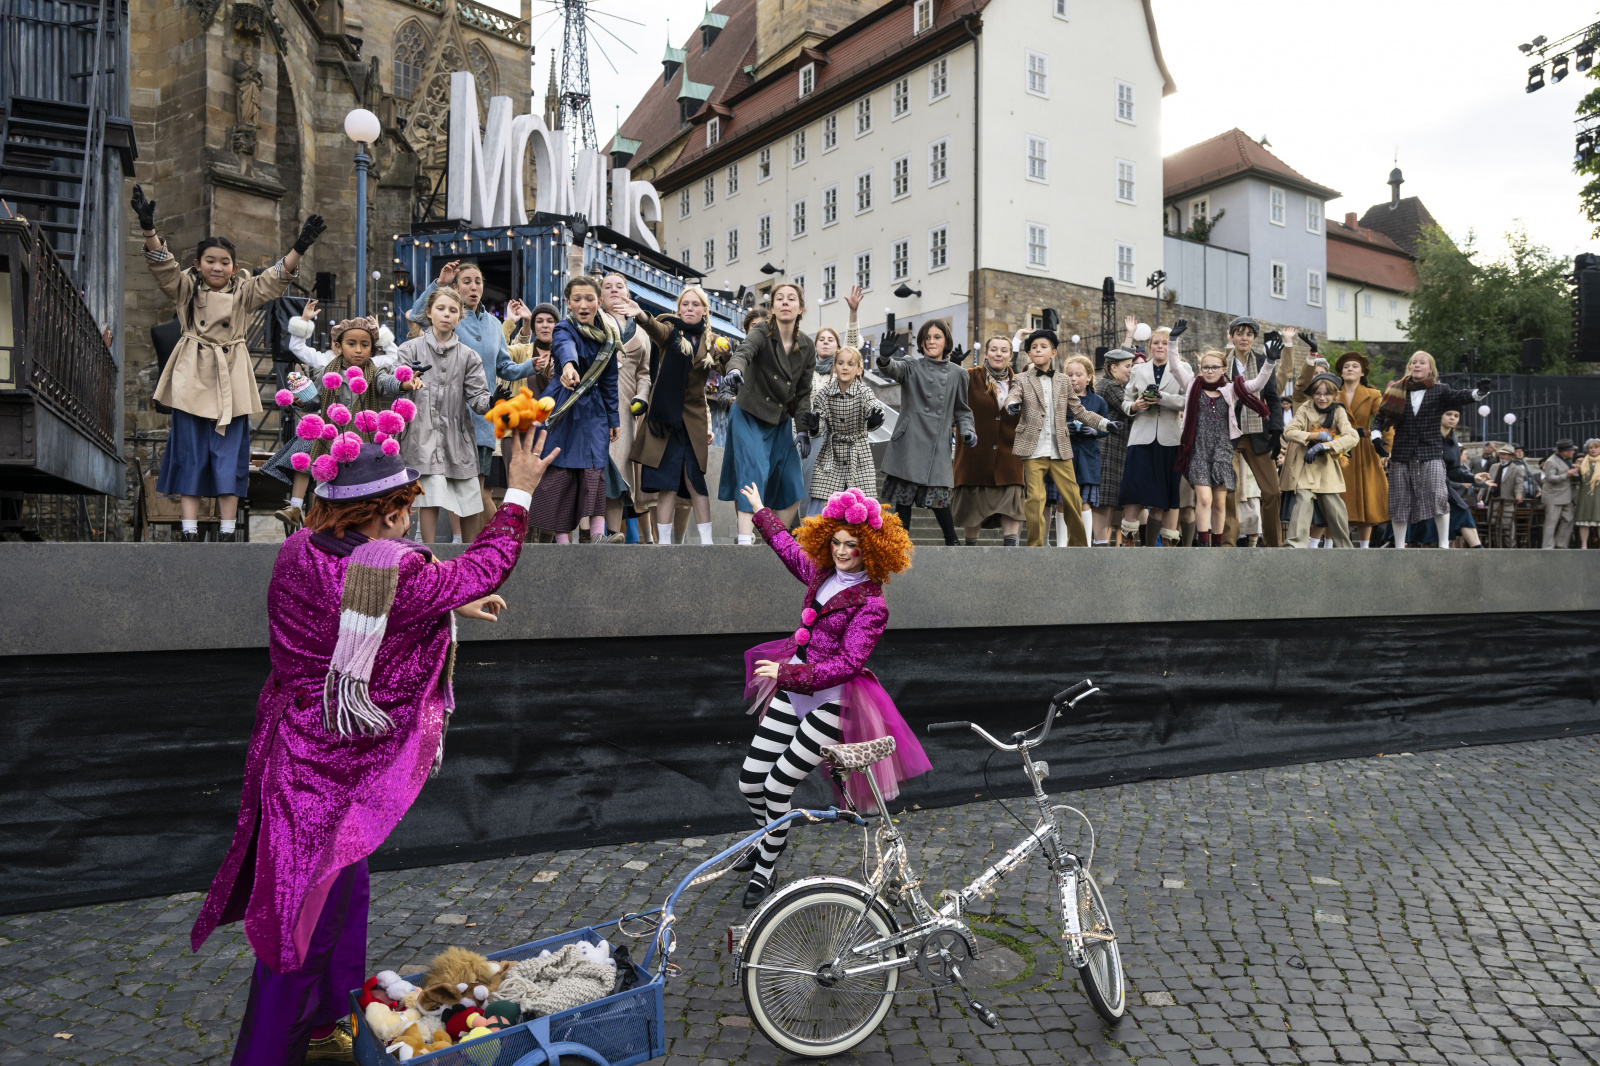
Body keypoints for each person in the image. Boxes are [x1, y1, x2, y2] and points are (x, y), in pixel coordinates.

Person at [188, 426, 558, 1066]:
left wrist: (447, 607)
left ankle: (333, 1027)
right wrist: (518, 494)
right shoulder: (395, 573)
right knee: (298, 930)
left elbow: (380, 597)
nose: (409, 524)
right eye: (406, 511)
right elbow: (482, 564)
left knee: (344, 894)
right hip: (334, 769)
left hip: (294, 751)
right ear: (388, 511)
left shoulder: (298, 549)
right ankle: (269, 1054)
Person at [735, 481, 927, 909]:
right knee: (751, 780)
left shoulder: (872, 604)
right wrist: (762, 512)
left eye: (852, 545)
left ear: (871, 548)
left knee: (777, 784)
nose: (842, 551)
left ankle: (766, 866)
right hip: (792, 686)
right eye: (837, 542)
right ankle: (770, 839)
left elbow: (847, 664)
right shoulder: (821, 573)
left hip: (830, 699)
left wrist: (789, 673)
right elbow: (789, 550)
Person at [132, 183, 326, 541]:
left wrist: (300, 247)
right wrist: (149, 230)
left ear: (234, 268)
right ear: (197, 264)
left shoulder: (243, 292)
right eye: (210, 260)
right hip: (191, 378)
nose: (217, 267)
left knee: (228, 457)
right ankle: (188, 530)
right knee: (189, 454)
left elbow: (274, 280)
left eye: (224, 262)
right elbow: (164, 269)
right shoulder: (186, 289)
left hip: (230, 382)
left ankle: (225, 530)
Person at [408, 259, 542, 540]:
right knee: (444, 485)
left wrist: (534, 365)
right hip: (442, 416)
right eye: (466, 281)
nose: (474, 286)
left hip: (481, 418)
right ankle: (478, 541)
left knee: (477, 488)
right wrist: (440, 283)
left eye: (478, 281)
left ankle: (485, 542)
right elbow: (418, 315)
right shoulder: (450, 316)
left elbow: (505, 367)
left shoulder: (494, 324)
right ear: (456, 287)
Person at [262, 312, 405, 534]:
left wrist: (402, 385)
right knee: (306, 447)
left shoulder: (376, 372)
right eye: (352, 344)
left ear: (372, 349)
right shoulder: (326, 371)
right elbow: (314, 402)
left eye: (364, 345)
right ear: (339, 347)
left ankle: (357, 517)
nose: (358, 349)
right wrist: (302, 402)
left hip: (360, 434)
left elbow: (387, 384)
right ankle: (295, 507)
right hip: (330, 432)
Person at [527, 275, 622, 543]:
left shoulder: (609, 337)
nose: (583, 304)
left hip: (595, 412)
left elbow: (610, 381)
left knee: (595, 470)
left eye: (589, 299)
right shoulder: (562, 328)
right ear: (568, 302)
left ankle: (597, 536)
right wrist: (568, 366)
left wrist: (614, 418)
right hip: (563, 407)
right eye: (577, 299)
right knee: (561, 473)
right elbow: (564, 347)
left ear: (599, 302)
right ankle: (563, 545)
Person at [394, 286, 492, 544]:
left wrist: (495, 401)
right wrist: (404, 383)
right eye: (440, 308)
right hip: (421, 434)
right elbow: (388, 382)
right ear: (429, 312)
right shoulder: (409, 349)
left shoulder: (469, 356)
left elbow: (478, 399)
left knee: (469, 497)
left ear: (460, 317)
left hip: (458, 436)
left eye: (453, 310)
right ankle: (429, 554)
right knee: (432, 493)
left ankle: (470, 556)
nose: (446, 314)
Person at [630, 285, 722, 546]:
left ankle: (707, 543)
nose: (689, 309)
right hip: (665, 419)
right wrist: (642, 316)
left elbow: (724, 367)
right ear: (679, 309)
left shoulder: (711, 342)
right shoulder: (671, 332)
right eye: (685, 304)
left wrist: (726, 355)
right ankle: (664, 544)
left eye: (695, 304)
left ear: (704, 310)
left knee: (696, 481)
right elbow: (655, 330)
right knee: (666, 482)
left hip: (693, 421)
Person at [721, 282, 813, 543]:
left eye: (791, 299)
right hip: (749, 414)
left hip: (780, 420)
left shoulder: (806, 346)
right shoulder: (762, 330)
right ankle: (744, 542)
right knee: (754, 472)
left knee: (793, 484)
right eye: (779, 298)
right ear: (772, 307)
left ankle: (774, 542)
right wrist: (734, 369)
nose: (785, 302)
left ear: (800, 308)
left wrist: (804, 429)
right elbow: (744, 351)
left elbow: (804, 393)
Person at [1006, 329, 1114, 547]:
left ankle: (1079, 547)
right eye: (1034, 347)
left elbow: (1079, 410)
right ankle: (1035, 547)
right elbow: (1014, 394)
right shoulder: (1021, 379)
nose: (1038, 350)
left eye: (1043, 346)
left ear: (1053, 353)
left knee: (1073, 498)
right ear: (1029, 354)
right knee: (1035, 499)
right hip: (1034, 449)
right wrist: (1012, 405)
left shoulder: (1064, 381)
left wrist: (1104, 423)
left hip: (1060, 449)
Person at [1372, 351, 1490, 550]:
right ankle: (1399, 546)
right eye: (1413, 362)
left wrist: (1479, 393)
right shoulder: (1396, 391)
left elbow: (1459, 396)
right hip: (1402, 451)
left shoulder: (1440, 390)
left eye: (1422, 363)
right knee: (1399, 499)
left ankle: (1444, 545)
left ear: (1430, 369)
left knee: (1438, 494)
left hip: (1431, 451)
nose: (1417, 365)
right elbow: (1380, 417)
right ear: (1409, 367)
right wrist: (1375, 437)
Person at [877, 319, 975, 545]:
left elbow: (962, 410)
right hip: (910, 441)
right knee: (904, 498)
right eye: (927, 337)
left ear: (946, 341)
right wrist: (884, 359)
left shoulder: (958, 373)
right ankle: (900, 546)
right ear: (921, 342)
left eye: (937, 337)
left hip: (938, 443)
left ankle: (953, 542)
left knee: (940, 497)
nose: (931, 341)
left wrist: (968, 431)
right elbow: (893, 369)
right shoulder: (912, 365)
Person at [1175, 344, 1280, 546]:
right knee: (1204, 499)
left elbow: (1257, 385)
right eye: (1206, 367)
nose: (1210, 371)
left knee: (1220, 502)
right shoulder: (1192, 385)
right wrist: (1173, 341)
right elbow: (1174, 367)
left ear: (1224, 369)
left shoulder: (1230, 389)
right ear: (1200, 369)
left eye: (1215, 367)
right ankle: (1203, 543)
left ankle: (1217, 544)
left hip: (1222, 450)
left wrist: (1269, 362)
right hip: (1199, 449)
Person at [1301, 352, 1390, 547]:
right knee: (1333, 497)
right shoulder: (1332, 392)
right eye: (1346, 366)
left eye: (1354, 366)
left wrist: (1385, 448)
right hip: (1336, 449)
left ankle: (1365, 547)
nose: (1350, 369)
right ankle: (1326, 544)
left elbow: (1385, 421)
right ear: (1340, 372)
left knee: (1367, 499)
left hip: (1365, 450)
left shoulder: (1373, 394)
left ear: (1362, 372)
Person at [1118, 323, 1192, 547]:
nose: (1160, 346)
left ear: (1172, 346)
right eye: (1155, 343)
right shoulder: (1139, 369)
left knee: (1168, 497)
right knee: (1133, 491)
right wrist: (1135, 406)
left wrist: (1163, 399)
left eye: (1164, 343)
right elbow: (1126, 400)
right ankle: (1129, 541)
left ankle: (1167, 545)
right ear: (1150, 346)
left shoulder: (1184, 368)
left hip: (1170, 439)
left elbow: (1189, 401)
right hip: (1141, 437)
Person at [1217, 317, 1285, 547]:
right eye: (1239, 333)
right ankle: (1228, 544)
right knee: (1229, 491)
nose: (1243, 337)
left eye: (1248, 334)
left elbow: (1274, 400)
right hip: (1230, 435)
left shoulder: (1265, 361)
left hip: (1258, 435)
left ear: (1254, 338)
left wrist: (1276, 432)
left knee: (1272, 492)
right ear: (1232, 336)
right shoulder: (1221, 363)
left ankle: (1273, 545)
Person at [953, 335, 1025, 546]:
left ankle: (1010, 552)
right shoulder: (969, 377)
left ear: (1011, 356)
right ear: (986, 353)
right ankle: (971, 550)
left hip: (1010, 455)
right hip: (975, 456)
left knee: (1012, 504)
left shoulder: (1020, 382)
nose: (998, 354)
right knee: (974, 506)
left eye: (1004, 350)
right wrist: (953, 365)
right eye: (994, 349)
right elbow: (947, 389)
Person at [802, 285, 863, 515]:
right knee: (805, 484)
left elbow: (853, 346)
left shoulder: (841, 371)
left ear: (838, 346)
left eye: (831, 339)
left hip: (834, 437)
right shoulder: (806, 370)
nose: (826, 342)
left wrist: (853, 313)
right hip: (807, 435)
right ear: (815, 345)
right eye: (821, 339)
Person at [1279, 372, 1359, 548]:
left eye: (1327, 394)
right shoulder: (1305, 409)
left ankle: (1345, 547)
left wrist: (1325, 445)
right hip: (1304, 464)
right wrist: (1316, 435)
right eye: (1318, 394)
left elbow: (1352, 437)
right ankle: (1295, 545)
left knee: (1333, 506)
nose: (1322, 398)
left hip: (1326, 465)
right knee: (1303, 499)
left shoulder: (1339, 411)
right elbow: (1289, 431)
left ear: (1335, 394)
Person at [807, 346, 887, 507]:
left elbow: (873, 405)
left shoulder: (865, 392)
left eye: (850, 364)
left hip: (859, 456)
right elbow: (819, 416)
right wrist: (815, 426)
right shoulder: (824, 394)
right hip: (830, 456)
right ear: (834, 367)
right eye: (840, 363)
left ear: (859, 369)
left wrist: (874, 419)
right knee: (821, 505)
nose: (844, 367)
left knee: (862, 507)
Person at [1408, 409, 1484, 548]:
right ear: (1439, 416)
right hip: (1420, 484)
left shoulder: (1453, 442)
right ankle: (1397, 545)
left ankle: (1479, 550)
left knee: (1462, 511)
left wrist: (1473, 477)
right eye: (1448, 414)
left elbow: (1454, 471)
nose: (1452, 418)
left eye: (1456, 416)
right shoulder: (1426, 434)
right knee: (1420, 522)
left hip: (1443, 486)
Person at [1091, 348, 1135, 545]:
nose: (1131, 370)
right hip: (1107, 448)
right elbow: (1130, 408)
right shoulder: (1110, 387)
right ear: (1113, 367)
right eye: (1128, 366)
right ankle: (1100, 543)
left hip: (1114, 448)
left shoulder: (1112, 385)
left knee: (1108, 500)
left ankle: (1101, 542)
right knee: (1103, 499)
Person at [1065, 354, 1109, 542]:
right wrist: (1065, 428)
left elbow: (1106, 426)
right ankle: (1062, 544)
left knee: (1085, 502)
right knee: (1063, 501)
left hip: (1089, 457)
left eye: (1079, 374)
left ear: (1089, 377)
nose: (1074, 379)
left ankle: (1086, 545)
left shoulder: (1098, 402)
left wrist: (1096, 431)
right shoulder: (1060, 399)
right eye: (1069, 375)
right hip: (1065, 455)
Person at [1541, 439, 1580, 549]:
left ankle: (1561, 545)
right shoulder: (1551, 462)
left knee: (1569, 519)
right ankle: (1547, 547)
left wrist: (1576, 473)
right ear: (1565, 451)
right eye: (1572, 450)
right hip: (1553, 497)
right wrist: (1566, 475)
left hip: (1566, 496)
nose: (1573, 452)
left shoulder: (1567, 460)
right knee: (1551, 523)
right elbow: (1551, 478)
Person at [1575, 439, 1600, 548]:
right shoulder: (1582, 463)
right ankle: (1584, 545)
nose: (1593, 450)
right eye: (1591, 448)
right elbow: (1576, 480)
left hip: (1599, 496)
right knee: (1584, 520)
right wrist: (1575, 471)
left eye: (1596, 447)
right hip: (1585, 495)